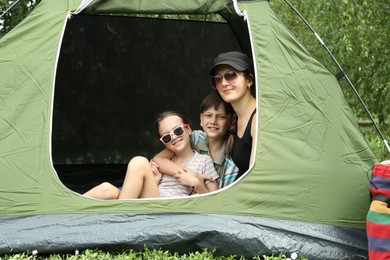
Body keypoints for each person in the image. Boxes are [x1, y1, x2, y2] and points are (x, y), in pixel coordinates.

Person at [83, 111, 219, 199]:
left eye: (178, 130)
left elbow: (215, 200)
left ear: (188, 129)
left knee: (139, 162)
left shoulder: (203, 160)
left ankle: (121, 216)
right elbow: (155, 189)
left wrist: (195, 183)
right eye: (166, 137)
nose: (174, 137)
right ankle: (66, 207)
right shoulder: (166, 162)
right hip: (153, 199)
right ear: (164, 143)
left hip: (167, 209)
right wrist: (155, 179)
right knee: (107, 189)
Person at [152, 92, 240, 188]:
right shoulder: (194, 137)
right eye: (208, 115)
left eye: (221, 117)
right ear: (201, 119)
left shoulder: (230, 167)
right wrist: (192, 175)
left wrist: (196, 183)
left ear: (231, 123)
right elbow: (158, 160)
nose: (213, 121)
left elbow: (219, 200)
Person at [209, 51, 256, 179]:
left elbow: (256, 178)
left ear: (249, 80)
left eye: (231, 75)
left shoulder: (259, 119)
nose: (223, 83)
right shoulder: (236, 120)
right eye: (217, 79)